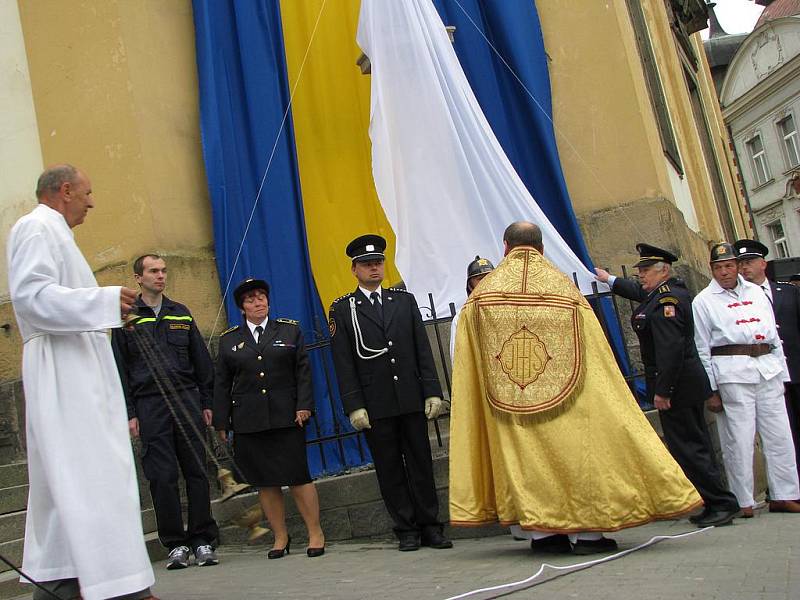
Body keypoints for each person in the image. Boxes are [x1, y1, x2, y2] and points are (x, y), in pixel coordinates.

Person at [449, 222, 701, 555]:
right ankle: (589, 537)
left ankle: (544, 537)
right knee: (580, 458)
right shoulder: (566, 291)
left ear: (506, 248)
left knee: (528, 462)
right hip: (571, 401)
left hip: (509, 402)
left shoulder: (480, 297)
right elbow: (596, 355)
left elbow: (468, 362)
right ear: (540, 249)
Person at [7, 165, 155, 600]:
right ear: (65, 190)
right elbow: (32, 300)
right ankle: (117, 587)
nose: (92, 203)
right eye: (88, 193)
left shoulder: (54, 233)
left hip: (79, 369)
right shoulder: (35, 228)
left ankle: (74, 582)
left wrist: (107, 311)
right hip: (63, 375)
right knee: (88, 475)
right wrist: (104, 300)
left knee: (79, 479)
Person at [595, 244, 739, 527]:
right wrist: (609, 280)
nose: (641, 276)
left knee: (689, 447)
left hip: (678, 388)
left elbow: (670, 352)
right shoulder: (666, 293)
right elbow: (641, 294)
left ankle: (721, 502)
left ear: (663, 271)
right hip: (685, 385)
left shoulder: (666, 302)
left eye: (646, 270)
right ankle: (714, 501)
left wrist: (663, 391)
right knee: (693, 444)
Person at [328, 235, 452, 552]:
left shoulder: (403, 301)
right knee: (389, 468)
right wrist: (354, 405)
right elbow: (343, 362)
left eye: (378, 263)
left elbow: (421, 349)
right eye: (367, 265)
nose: (374, 268)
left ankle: (431, 526)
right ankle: (406, 528)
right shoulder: (344, 310)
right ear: (354, 270)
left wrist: (432, 391)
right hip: (376, 401)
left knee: (421, 463)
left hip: (409, 396)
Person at [111, 254, 219, 569]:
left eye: (163, 271)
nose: (160, 276)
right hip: (150, 404)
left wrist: (207, 402)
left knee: (197, 471)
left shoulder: (180, 313)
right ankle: (175, 544)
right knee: (161, 476)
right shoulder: (127, 318)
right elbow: (119, 368)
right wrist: (129, 412)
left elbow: (202, 363)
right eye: (153, 271)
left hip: (185, 399)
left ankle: (202, 540)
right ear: (138, 278)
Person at [214, 278, 325, 558]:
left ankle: (315, 532)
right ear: (242, 307)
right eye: (251, 299)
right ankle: (280, 536)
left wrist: (304, 406)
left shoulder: (288, 331)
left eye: (262, 296)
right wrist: (222, 422)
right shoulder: (230, 340)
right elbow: (222, 383)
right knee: (266, 481)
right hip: (249, 420)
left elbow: (303, 372)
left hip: (287, 416)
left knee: (298, 476)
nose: (258, 302)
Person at [692, 242, 800, 516]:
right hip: (733, 373)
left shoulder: (756, 292)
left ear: (737, 267)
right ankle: (744, 500)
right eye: (719, 267)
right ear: (712, 270)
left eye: (729, 265)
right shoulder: (704, 301)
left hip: (767, 369)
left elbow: (774, 336)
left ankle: (784, 493)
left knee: (780, 436)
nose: (725, 272)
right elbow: (702, 347)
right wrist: (711, 390)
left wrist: (782, 373)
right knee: (738, 440)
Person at [734, 239, 800, 483]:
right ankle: (786, 483)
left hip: (795, 368)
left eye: (749, 262)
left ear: (763, 264)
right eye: (740, 263)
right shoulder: (739, 300)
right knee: (781, 432)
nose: (744, 268)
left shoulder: (788, 292)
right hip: (767, 374)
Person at [449, 255, 495, 360]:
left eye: (489, 277)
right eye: (480, 279)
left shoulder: (508, 308)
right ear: (470, 285)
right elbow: (458, 360)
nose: (485, 282)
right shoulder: (462, 317)